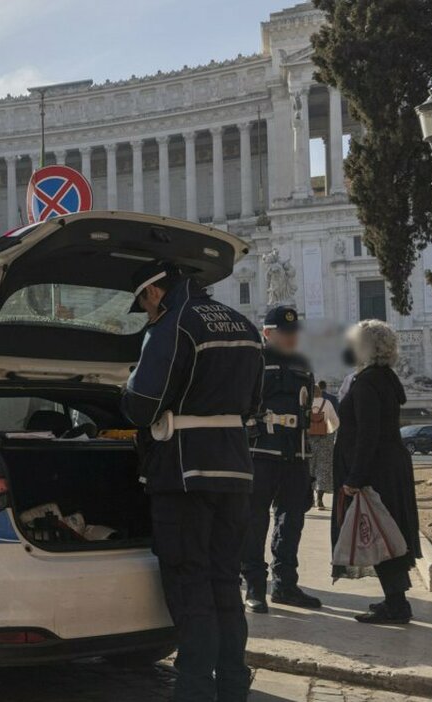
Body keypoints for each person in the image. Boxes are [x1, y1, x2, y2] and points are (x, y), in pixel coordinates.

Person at [121, 261, 263, 702]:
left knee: (190, 584)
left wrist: (124, 395)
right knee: (225, 582)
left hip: (185, 473)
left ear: (155, 294)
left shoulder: (173, 324)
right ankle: (234, 685)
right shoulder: (243, 323)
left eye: (144, 304)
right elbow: (253, 404)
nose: (146, 314)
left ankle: (195, 689)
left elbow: (142, 404)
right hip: (235, 471)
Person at [332, 320, 422, 624]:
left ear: (366, 347)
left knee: (382, 533)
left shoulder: (368, 382)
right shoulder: (384, 378)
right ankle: (396, 601)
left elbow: (367, 434)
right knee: (388, 533)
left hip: (376, 471)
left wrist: (355, 478)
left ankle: (397, 606)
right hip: (389, 465)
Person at [240, 306, 323, 614]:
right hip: (262, 452)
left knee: (292, 522)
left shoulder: (303, 364)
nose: (291, 338)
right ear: (267, 333)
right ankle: (255, 586)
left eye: (294, 333)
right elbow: (241, 405)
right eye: (284, 333)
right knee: (254, 521)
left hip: (297, 454)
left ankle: (285, 585)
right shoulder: (254, 361)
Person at [309, 381, 339, 510]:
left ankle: (309, 499)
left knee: (309, 468)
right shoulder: (327, 403)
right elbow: (335, 422)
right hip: (324, 439)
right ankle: (319, 500)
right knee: (323, 468)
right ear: (320, 392)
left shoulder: (307, 403)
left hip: (308, 439)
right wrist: (329, 431)